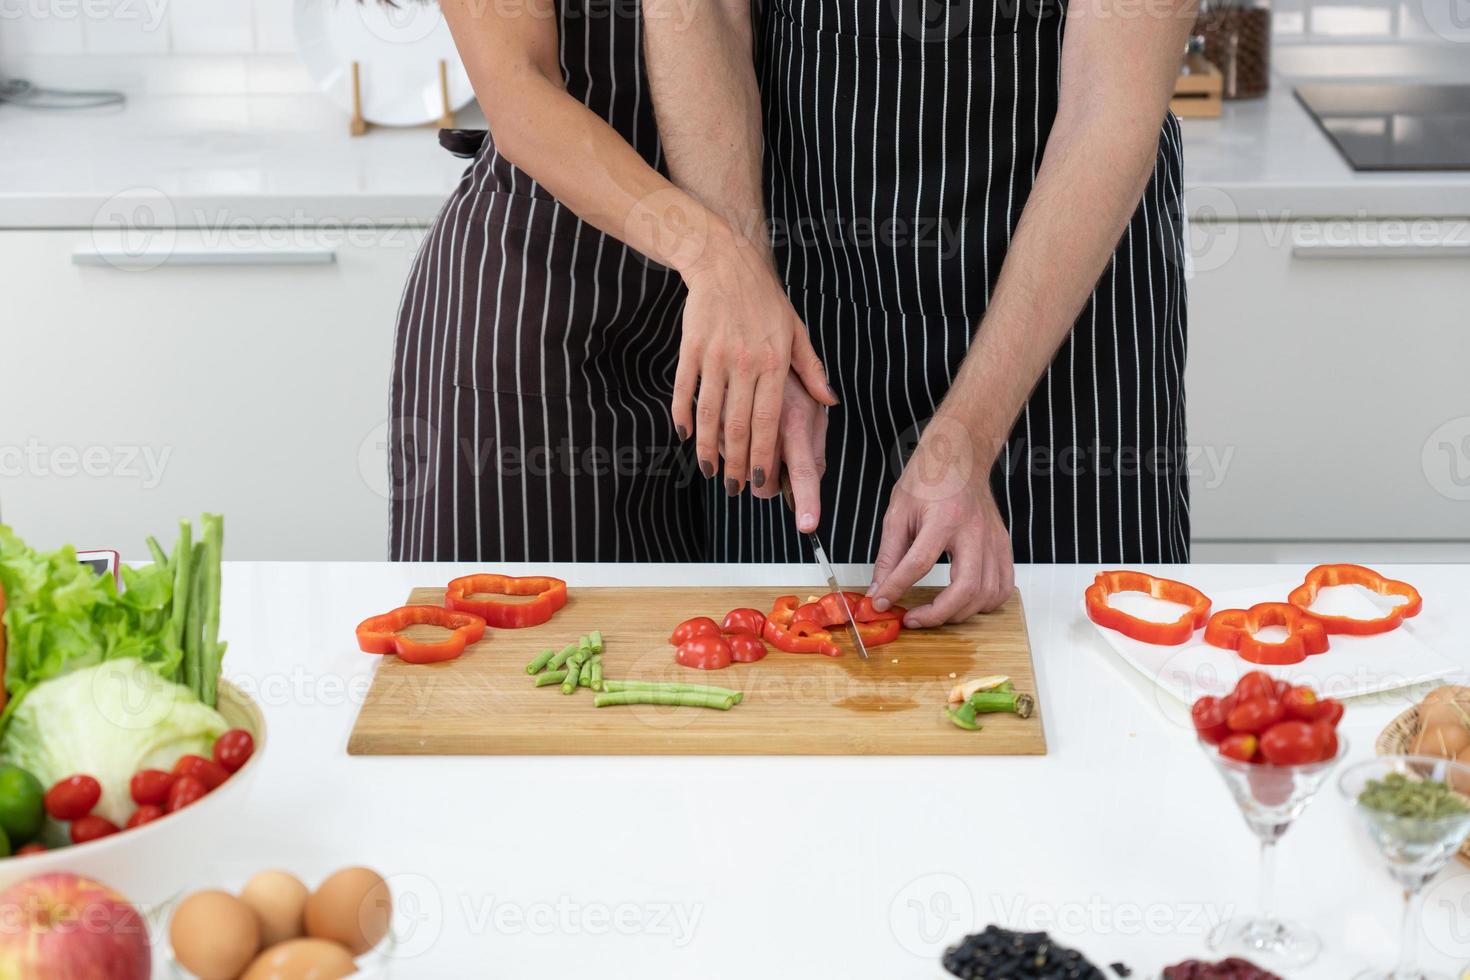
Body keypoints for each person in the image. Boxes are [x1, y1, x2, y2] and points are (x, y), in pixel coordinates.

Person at [643, 0, 1198, 625]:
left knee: (1095, 662)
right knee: (785, 682)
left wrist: (970, 431)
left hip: (1071, 315)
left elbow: (1110, 104)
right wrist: (743, 284)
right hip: (807, 295)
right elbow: (702, 15)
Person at [388, 0, 836, 564]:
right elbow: (520, 94)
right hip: (542, 315)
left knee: (673, 642)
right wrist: (724, 266)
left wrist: (747, 292)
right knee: (518, 644)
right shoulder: (719, 266)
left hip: (698, 329)